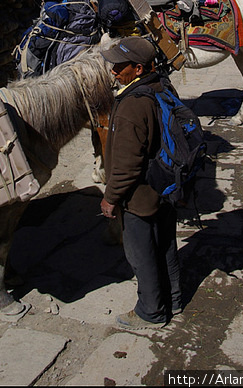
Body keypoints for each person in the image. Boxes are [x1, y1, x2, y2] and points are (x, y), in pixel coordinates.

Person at [100, 36, 182, 328]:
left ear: (137, 69)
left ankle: (151, 311)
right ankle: (173, 299)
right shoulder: (162, 85)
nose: (113, 71)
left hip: (140, 197)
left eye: (119, 66)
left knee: (141, 254)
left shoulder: (132, 105)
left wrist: (111, 198)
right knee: (165, 244)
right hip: (166, 187)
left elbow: (126, 165)